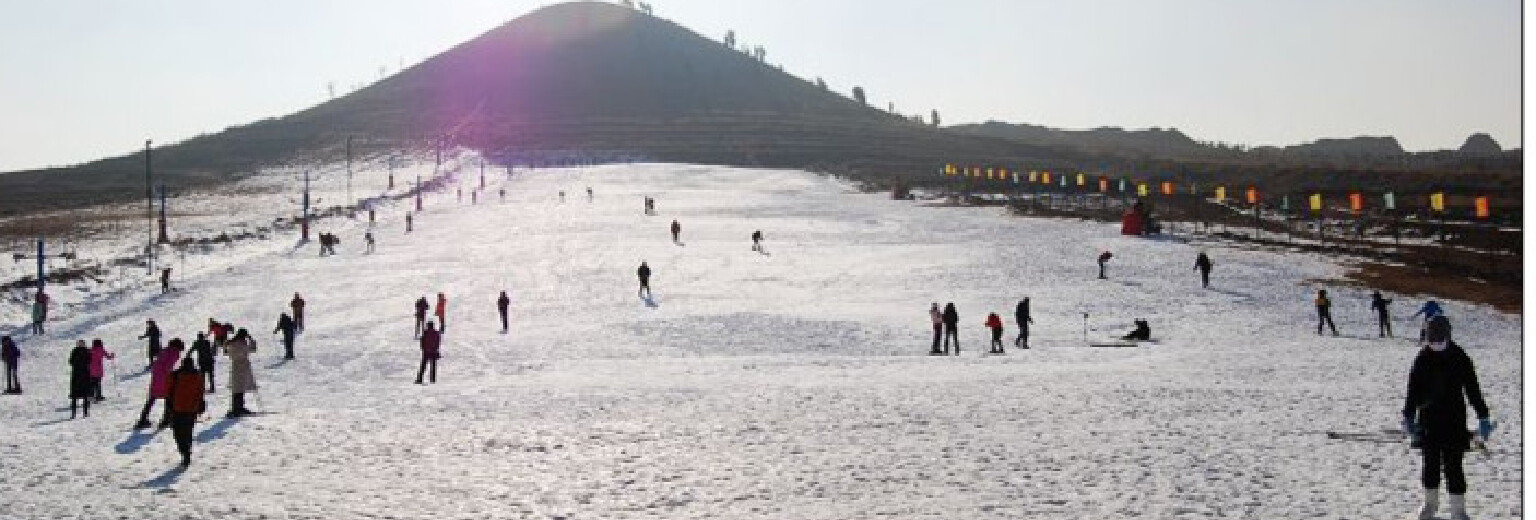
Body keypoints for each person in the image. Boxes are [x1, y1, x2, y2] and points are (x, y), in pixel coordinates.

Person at [1403, 315, 1493, 520]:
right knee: (1430, 465)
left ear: (1448, 336)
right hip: (1428, 421)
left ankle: (1458, 511)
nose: (1435, 344)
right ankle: (1429, 506)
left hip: (1454, 421)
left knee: (1454, 467)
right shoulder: (1421, 359)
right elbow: (1413, 391)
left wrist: (1483, 416)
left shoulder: (1460, 358)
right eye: (1431, 340)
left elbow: (1473, 390)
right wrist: (1408, 417)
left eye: (1439, 340)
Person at [134, 338, 184, 429]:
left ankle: (142, 420)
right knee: (169, 399)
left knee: (152, 399)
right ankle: (165, 421)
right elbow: (167, 367)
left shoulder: (165, 350)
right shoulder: (174, 353)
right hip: (164, 379)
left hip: (156, 377)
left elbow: (157, 364)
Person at [165, 358, 205, 466]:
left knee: (178, 432)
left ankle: (184, 451)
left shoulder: (175, 375)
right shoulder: (198, 376)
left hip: (178, 408)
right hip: (191, 409)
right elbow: (200, 392)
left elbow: (168, 391)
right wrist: (201, 404)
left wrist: (168, 406)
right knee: (188, 431)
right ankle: (186, 452)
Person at [223, 328, 258, 418]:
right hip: (242, 366)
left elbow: (227, 352)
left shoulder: (232, 343)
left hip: (236, 366)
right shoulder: (242, 343)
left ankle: (237, 407)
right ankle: (238, 408)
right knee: (240, 388)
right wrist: (251, 339)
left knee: (237, 388)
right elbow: (253, 349)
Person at [68, 340, 92, 418]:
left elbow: (70, 361)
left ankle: (73, 414)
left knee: (75, 396)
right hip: (84, 375)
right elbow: (90, 361)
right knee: (85, 395)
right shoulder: (87, 351)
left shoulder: (74, 351)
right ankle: (85, 413)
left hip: (76, 375)